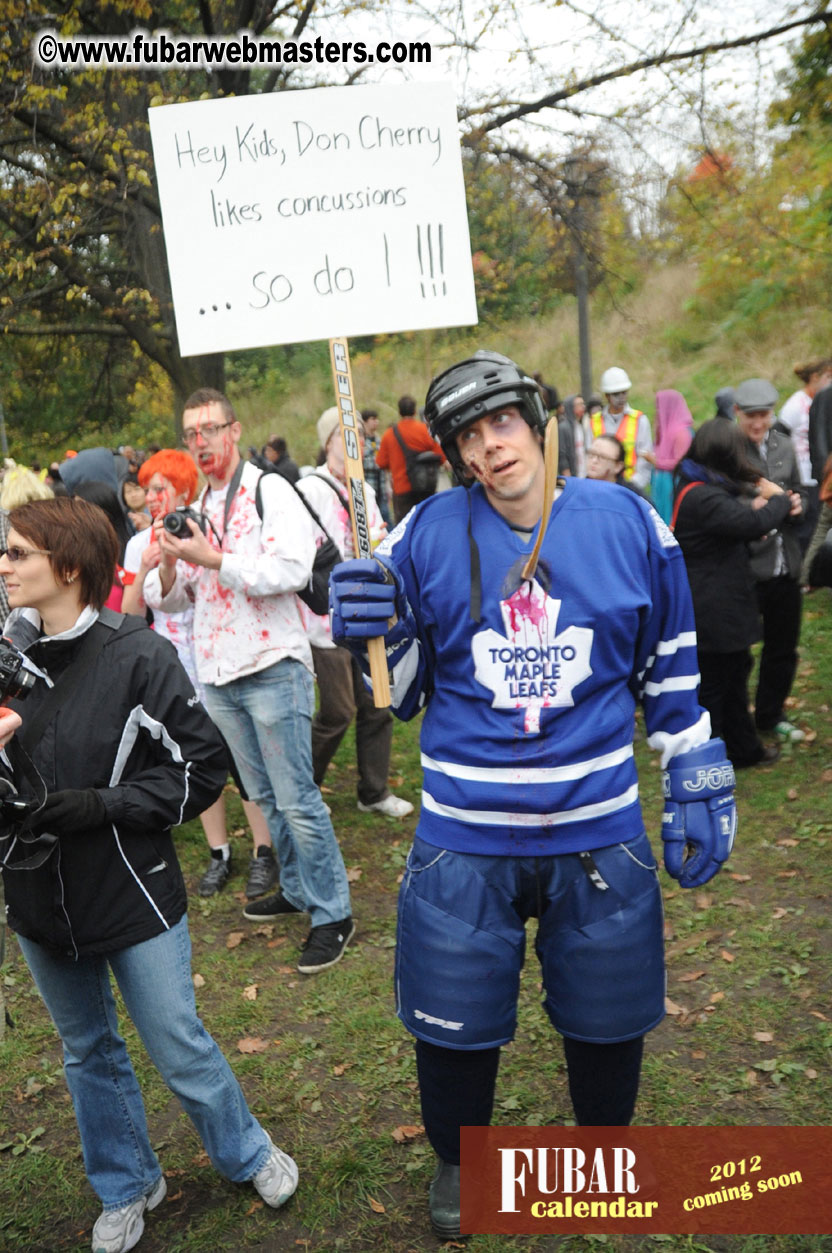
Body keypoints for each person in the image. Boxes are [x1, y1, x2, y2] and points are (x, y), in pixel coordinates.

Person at [329, 350, 736, 1239]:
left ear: (539, 421)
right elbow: (392, 690)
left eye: (501, 421)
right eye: (469, 436)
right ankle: (459, 1159)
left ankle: (599, 1156)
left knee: (608, 1018)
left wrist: (693, 755)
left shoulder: (633, 522)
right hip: (464, 842)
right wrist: (367, 623)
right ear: (456, 453)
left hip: (598, 833)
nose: (489, 446)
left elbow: (670, 660)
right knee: (453, 1028)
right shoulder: (420, 534)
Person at [0, 497, 297, 1253]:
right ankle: (127, 1183)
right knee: (85, 1050)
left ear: (67, 566)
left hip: (131, 889)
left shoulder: (138, 654)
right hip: (38, 897)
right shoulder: (6, 661)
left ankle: (246, 1151)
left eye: (17, 553)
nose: (3, 566)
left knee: (175, 1037)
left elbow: (204, 771)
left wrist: (95, 805)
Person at [142, 388, 353, 975]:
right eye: (191, 434)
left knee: (298, 799)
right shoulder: (200, 502)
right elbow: (174, 600)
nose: (201, 441)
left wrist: (211, 558)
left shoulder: (269, 488)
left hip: (271, 664)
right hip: (218, 673)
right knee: (263, 797)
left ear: (234, 431)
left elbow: (290, 568)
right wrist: (169, 557)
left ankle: (333, 912)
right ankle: (299, 892)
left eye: (210, 429)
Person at [121, 450, 276, 902]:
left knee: (243, 759)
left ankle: (265, 850)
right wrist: (153, 565)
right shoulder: (138, 543)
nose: (151, 498)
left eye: (160, 489)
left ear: (184, 492)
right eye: (147, 489)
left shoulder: (211, 523)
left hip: (221, 656)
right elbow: (132, 616)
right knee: (198, 761)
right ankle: (219, 853)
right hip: (173, 670)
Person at [294, 408, 413, 821]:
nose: (355, 446)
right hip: (324, 622)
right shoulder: (308, 490)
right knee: (338, 710)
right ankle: (302, 788)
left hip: (367, 613)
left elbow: (382, 536)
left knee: (379, 701)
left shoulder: (364, 491)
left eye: (359, 438)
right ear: (327, 444)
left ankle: (374, 791)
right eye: (345, 438)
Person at [672, 419, 792, 768]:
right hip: (713, 605)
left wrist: (764, 505)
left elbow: (736, 525)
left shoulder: (700, 485)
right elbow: (750, 524)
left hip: (718, 601)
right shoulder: (701, 494)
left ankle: (743, 750)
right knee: (715, 685)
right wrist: (780, 500)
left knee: (734, 675)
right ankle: (704, 759)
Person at [734, 378, 807, 745]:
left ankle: (770, 712)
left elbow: (797, 489)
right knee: (740, 650)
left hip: (784, 561)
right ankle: (735, 718)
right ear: (737, 414)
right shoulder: (728, 451)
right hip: (747, 565)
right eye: (751, 417)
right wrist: (752, 510)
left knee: (783, 645)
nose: (758, 424)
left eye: (764, 415)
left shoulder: (783, 443)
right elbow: (721, 504)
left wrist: (796, 505)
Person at [778, 359, 832, 551]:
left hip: (818, 474)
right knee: (807, 528)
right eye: (828, 377)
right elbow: (778, 434)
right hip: (802, 476)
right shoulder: (796, 404)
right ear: (815, 378)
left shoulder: (821, 400)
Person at [376, 395, 446, 522]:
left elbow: (381, 462)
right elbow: (440, 457)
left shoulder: (389, 434)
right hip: (426, 488)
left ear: (399, 411)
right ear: (414, 411)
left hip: (401, 488)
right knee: (427, 524)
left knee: (405, 529)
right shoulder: (425, 430)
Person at [590, 367, 654, 491]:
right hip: (599, 487)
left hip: (631, 486)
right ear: (607, 396)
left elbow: (644, 460)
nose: (621, 397)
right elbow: (587, 456)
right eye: (616, 394)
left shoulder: (639, 420)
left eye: (624, 392)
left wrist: (632, 486)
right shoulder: (594, 422)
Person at [651, 389, 694, 524]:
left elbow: (681, 463)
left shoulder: (682, 433)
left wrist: (657, 462)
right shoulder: (665, 430)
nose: (658, 411)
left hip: (672, 487)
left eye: (660, 407)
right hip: (661, 486)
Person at [361, 408, 391, 525]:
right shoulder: (362, 442)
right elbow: (367, 463)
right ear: (365, 422)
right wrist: (378, 461)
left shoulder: (380, 440)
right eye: (373, 419)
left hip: (382, 489)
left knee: (387, 521)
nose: (376, 422)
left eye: (377, 419)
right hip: (369, 487)